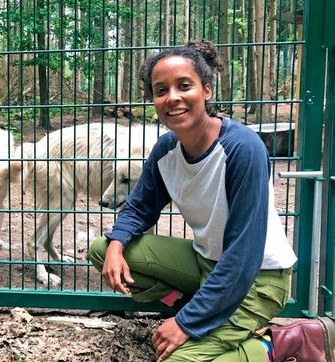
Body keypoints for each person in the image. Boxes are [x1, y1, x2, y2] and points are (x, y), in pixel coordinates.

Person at [88, 40, 334, 361]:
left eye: (184, 85)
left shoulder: (242, 148)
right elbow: (140, 207)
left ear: (206, 90)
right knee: (103, 250)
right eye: (161, 90)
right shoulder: (166, 150)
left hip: (256, 279)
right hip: (207, 263)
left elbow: (243, 255)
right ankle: (192, 307)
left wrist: (187, 325)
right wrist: (118, 243)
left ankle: (280, 345)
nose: (172, 97)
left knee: (177, 359)